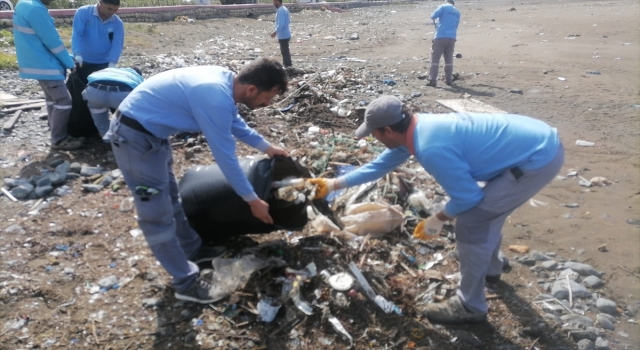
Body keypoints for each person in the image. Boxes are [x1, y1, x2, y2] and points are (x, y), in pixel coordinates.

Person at [310, 96, 564, 324]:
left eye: (374, 133)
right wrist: (335, 183)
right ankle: (490, 267)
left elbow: (468, 198)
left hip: (537, 158)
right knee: (489, 211)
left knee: (473, 221)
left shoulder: (431, 147)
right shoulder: (417, 128)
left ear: (387, 130)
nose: (372, 137)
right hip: (533, 140)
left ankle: (470, 305)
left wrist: (438, 219)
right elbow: (381, 164)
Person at [108, 58, 290, 304]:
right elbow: (226, 158)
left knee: (171, 197)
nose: (268, 103)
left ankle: (191, 249)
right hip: (134, 139)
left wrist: (268, 148)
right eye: (269, 97)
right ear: (251, 90)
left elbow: (235, 123)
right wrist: (251, 199)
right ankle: (185, 282)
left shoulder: (225, 83)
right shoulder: (214, 95)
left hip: (153, 136)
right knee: (156, 215)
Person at [13, 0, 83, 150]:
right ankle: (59, 139)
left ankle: (54, 132)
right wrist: (69, 63)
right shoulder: (35, 9)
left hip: (36, 62)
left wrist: (68, 58)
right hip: (45, 64)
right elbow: (52, 41)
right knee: (63, 100)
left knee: (52, 100)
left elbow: (37, 39)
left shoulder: (24, 4)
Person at [82, 67, 144, 142]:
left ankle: (107, 141)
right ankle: (125, 142)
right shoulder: (137, 76)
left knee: (99, 118)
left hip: (94, 92)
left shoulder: (109, 70)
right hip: (121, 95)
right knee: (128, 119)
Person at [71, 0, 124, 79]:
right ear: (101, 3)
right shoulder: (83, 13)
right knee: (77, 88)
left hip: (104, 63)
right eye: (109, 9)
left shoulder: (117, 23)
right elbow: (77, 34)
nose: (112, 12)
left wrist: (112, 62)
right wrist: (77, 53)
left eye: (115, 10)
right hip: (83, 61)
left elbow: (117, 44)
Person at [428, 0, 460, 87]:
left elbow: (433, 16)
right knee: (449, 60)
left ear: (446, 1)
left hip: (441, 36)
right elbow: (456, 25)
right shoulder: (457, 12)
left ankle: (433, 80)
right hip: (452, 37)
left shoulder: (443, 7)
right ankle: (448, 79)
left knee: (435, 59)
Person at [270, 0, 292, 67]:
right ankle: (287, 66)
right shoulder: (284, 9)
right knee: (285, 51)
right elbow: (289, 21)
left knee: (285, 52)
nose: (273, 3)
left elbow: (281, 24)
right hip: (285, 34)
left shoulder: (281, 10)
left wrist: (275, 32)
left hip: (283, 35)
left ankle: (288, 67)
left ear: (277, 1)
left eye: (274, 1)